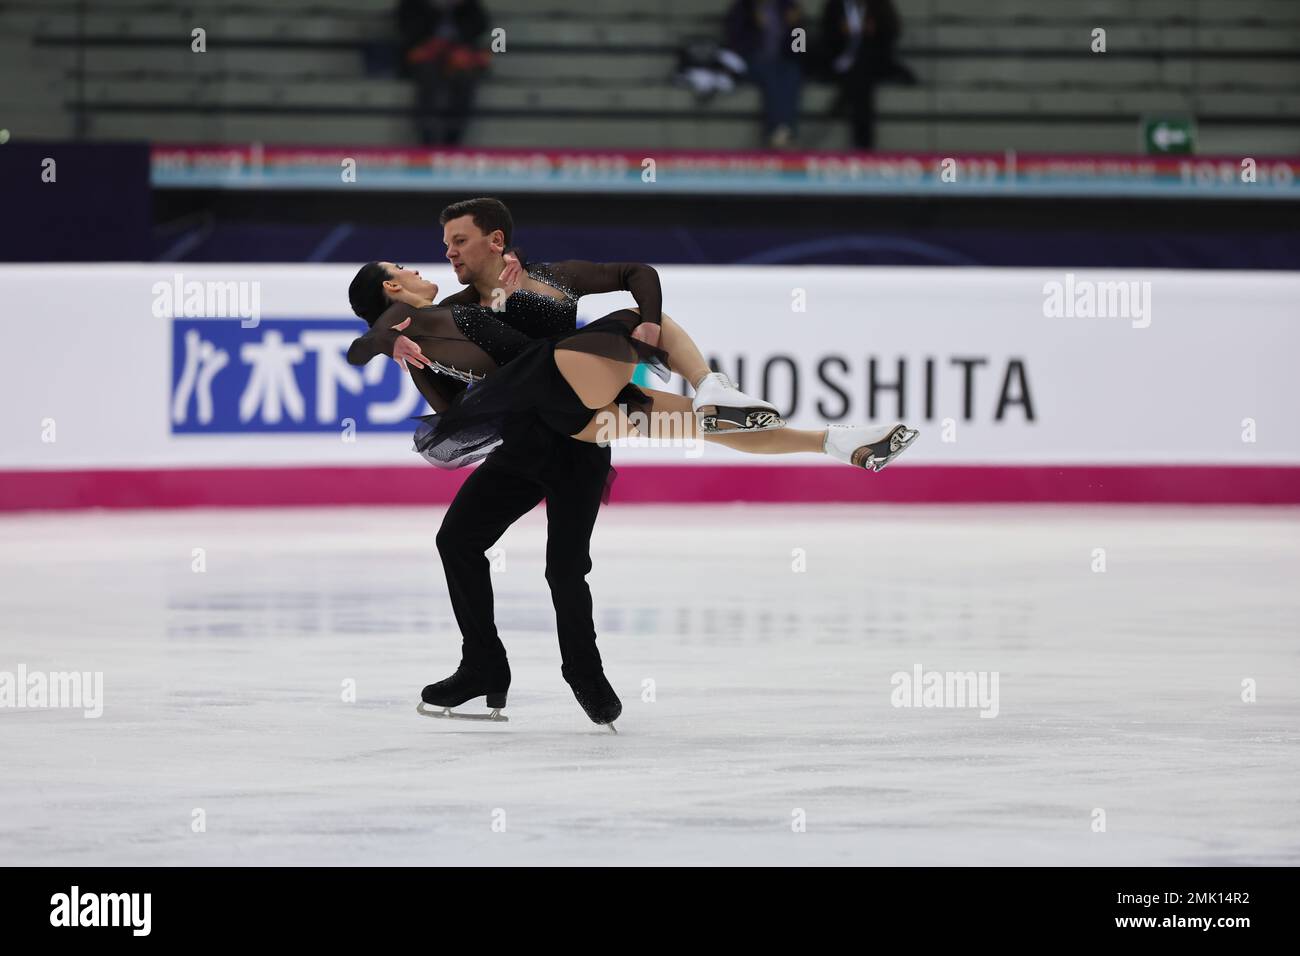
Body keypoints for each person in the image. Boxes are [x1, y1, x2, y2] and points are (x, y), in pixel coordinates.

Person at [396, 0, 491, 145]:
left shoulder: (469, 5)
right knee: (428, 80)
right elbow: (408, 28)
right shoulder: (412, 4)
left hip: (457, 59)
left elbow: (480, 26)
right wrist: (435, 11)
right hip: (424, 58)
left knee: (465, 79)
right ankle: (427, 138)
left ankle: (452, 139)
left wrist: (458, 8)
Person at [725, 0, 807, 148]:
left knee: (793, 73)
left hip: (783, 62)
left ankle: (784, 131)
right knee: (771, 75)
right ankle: (777, 130)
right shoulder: (743, 8)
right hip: (751, 62)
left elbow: (800, 49)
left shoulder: (787, 6)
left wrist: (795, 26)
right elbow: (734, 45)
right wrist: (754, 26)